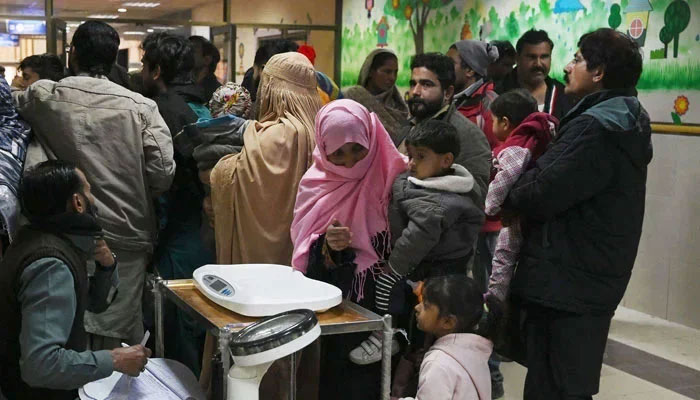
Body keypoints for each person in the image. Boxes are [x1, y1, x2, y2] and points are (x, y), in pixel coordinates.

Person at [502, 28, 651, 399]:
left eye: (578, 59)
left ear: (599, 72)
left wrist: (512, 186)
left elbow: (536, 193)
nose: (567, 67)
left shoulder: (596, 128)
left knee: (555, 386)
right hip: (585, 274)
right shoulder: (622, 116)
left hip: (568, 281)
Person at [12, 20, 175, 350]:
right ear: (114, 58)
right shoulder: (142, 108)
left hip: (60, 233)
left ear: (72, 56)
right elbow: (162, 172)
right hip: (126, 233)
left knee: (58, 329)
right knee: (113, 334)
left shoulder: (42, 97)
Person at [209, 52, 322, 399]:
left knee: (261, 349)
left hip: (260, 268)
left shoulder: (277, 135)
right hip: (305, 267)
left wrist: (221, 166)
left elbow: (232, 177)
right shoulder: (320, 130)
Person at [0, 161, 151, 400]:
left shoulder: (36, 238)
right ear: (78, 203)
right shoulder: (50, 264)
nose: (93, 200)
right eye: (89, 191)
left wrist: (106, 266)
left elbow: (93, 303)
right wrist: (115, 360)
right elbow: (41, 365)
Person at [291, 99, 407, 400]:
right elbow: (307, 260)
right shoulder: (315, 185)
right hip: (342, 312)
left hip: (390, 309)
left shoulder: (394, 177)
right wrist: (328, 247)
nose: (349, 162)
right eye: (337, 153)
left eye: (358, 149)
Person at [350, 119, 484, 365]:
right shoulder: (427, 181)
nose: (411, 163)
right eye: (410, 155)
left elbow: (415, 240)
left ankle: (384, 336)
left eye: (420, 157)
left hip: (425, 266)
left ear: (446, 160)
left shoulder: (437, 205)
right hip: (424, 264)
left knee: (386, 286)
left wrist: (392, 268)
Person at [141, 31, 214, 375]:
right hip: (208, 231)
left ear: (156, 71)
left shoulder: (161, 111)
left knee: (175, 324)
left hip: (177, 231)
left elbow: (163, 181)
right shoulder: (209, 107)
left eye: (144, 65)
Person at [485, 89, 557, 302]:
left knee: (504, 252)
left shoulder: (517, 145)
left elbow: (508, 175)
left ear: (505, 123)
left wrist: (491, 205)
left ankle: (495, 298)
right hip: (529, 209)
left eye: (493, 120)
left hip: (517, 213)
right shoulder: (539, 134)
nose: (492, 125)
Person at [398, 52, 491, 207]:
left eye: (426, 84)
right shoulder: (408, 126)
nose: (415, 91)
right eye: (413, 84)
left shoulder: (466, 134)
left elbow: (475, 196)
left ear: (447, 93)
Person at [396, 276, 503, 400]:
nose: (417, 307)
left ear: (448, 322)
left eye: (425, 305)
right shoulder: (476, 352)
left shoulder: (438, 363)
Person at [495, 29, 573, 120]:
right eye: (531, 57)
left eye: (544, 57)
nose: (538, 64)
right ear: (517, 58)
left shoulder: (563, 95)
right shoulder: (497, 93)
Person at [344, 48, 409, 144]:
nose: (392, 78)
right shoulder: (355, 97)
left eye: (395, 72)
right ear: (370, 72)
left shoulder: (398, 105)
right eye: (387, 72)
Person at [189, 35, 221, 102]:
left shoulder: (217, 93)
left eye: (192, 51)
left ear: (207, 60)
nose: (186, 54)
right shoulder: (186, 86)